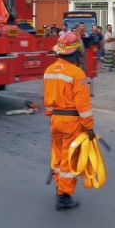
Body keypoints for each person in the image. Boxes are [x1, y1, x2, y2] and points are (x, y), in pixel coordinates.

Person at [44, 32, 95, 211]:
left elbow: (48, 100)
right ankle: (64, 197)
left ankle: (59, 188)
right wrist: (89, 128)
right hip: (71, 122)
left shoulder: (49, 70)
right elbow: (83, 105)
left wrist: (52, 116)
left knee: (57, 156)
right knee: (68, 160)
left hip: (56, 120)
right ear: (75, 53)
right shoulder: (77, 73)